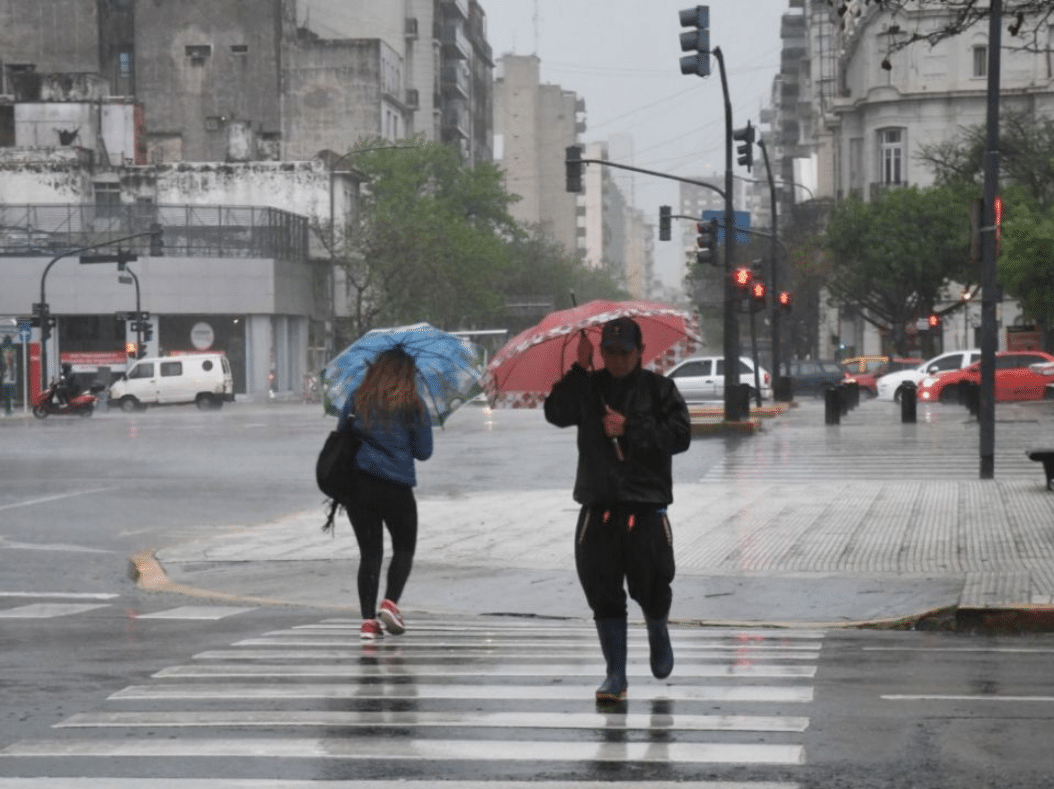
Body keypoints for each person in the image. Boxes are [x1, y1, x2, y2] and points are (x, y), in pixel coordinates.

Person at [544, 316, 691, 703]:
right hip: (598, 507)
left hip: (646, 509)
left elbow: (680, 437)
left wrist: (631, 429)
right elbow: (555, 412)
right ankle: (616, 674)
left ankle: (657, 627)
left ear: (640, 352)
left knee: (652, 586)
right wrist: (579, 367)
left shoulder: (660, 389)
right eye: (609, 351)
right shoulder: (589, 387)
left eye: (624, 352)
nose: (616, 359)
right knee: (603, 592)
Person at [337, 347, 434, 640]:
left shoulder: (357, 399)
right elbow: (424, 451)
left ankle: (368, 622)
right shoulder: (413, 405)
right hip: (397, 487)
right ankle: (390, 602)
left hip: (359, 487)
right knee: (404, 547)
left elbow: (342, 433)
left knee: (370, 554)